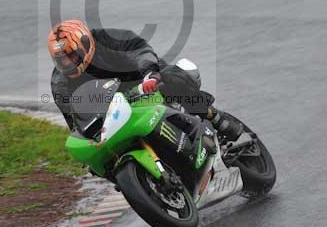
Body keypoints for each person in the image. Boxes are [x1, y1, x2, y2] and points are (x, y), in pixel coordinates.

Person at [48, 19, 242, 140]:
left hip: (144, 80)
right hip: (115, 105)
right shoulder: (60, 83)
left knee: (170, 81)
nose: (67, 64)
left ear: (84, 44)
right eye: (61, 60)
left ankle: (214, 117)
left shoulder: (106, 39)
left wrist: (150, 74)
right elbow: (74, 120)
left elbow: (139, 49)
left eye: (71, 56)